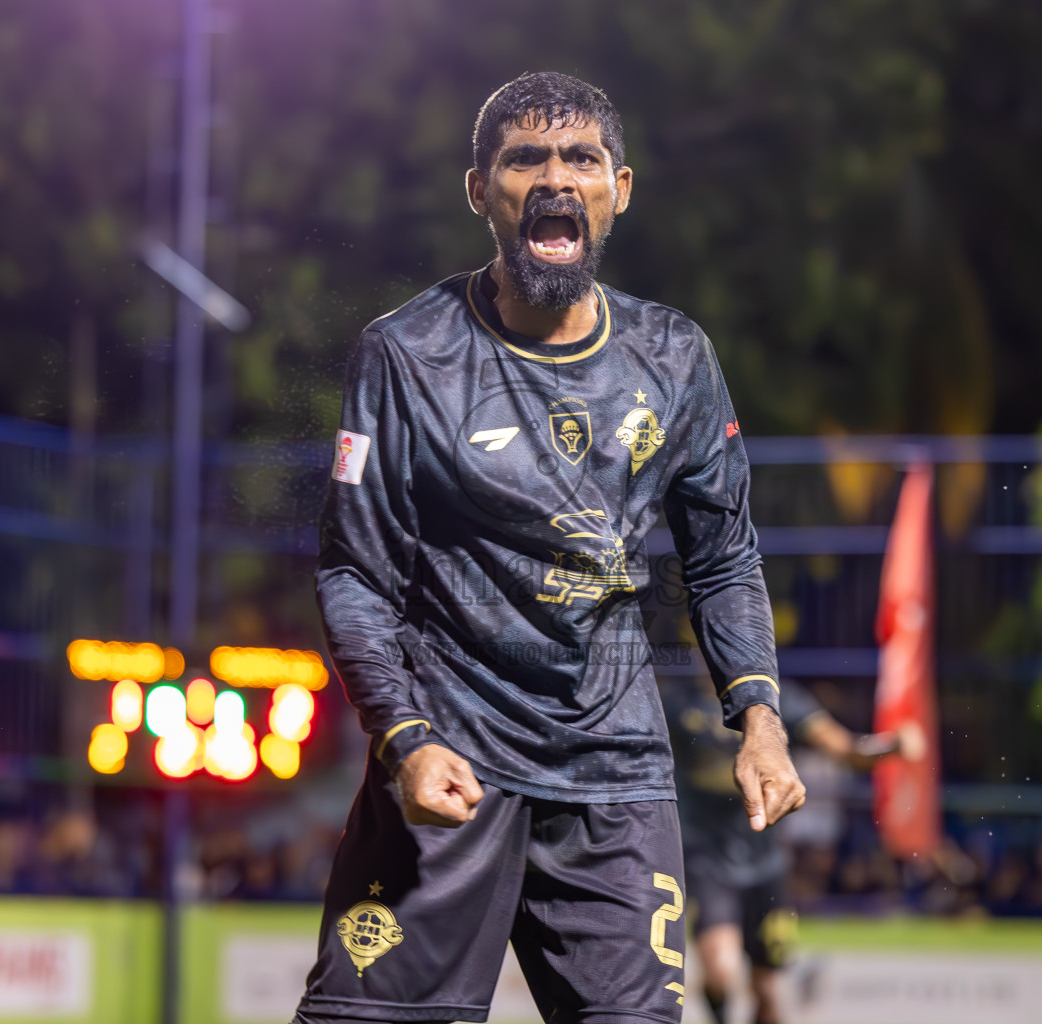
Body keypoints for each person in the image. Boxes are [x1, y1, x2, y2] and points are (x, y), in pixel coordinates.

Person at [296, 72, 804, 1024]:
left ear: (619, 188)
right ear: (481, 190)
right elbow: (355, 572)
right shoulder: (407, 356)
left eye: (580, 159)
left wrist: (760, 720)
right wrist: (404, 739)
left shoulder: (677, 358)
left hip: (615, 774)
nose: (554, 178)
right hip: (452, 762)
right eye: (524, 159)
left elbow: (724, 557)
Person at [663, 674, 914, 1024]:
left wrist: (891, 746)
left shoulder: (778, 700)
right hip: (708, 860)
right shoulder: (675, 702)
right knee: (721, 969)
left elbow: (846, 749)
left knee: (768, 991)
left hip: (767, 864)